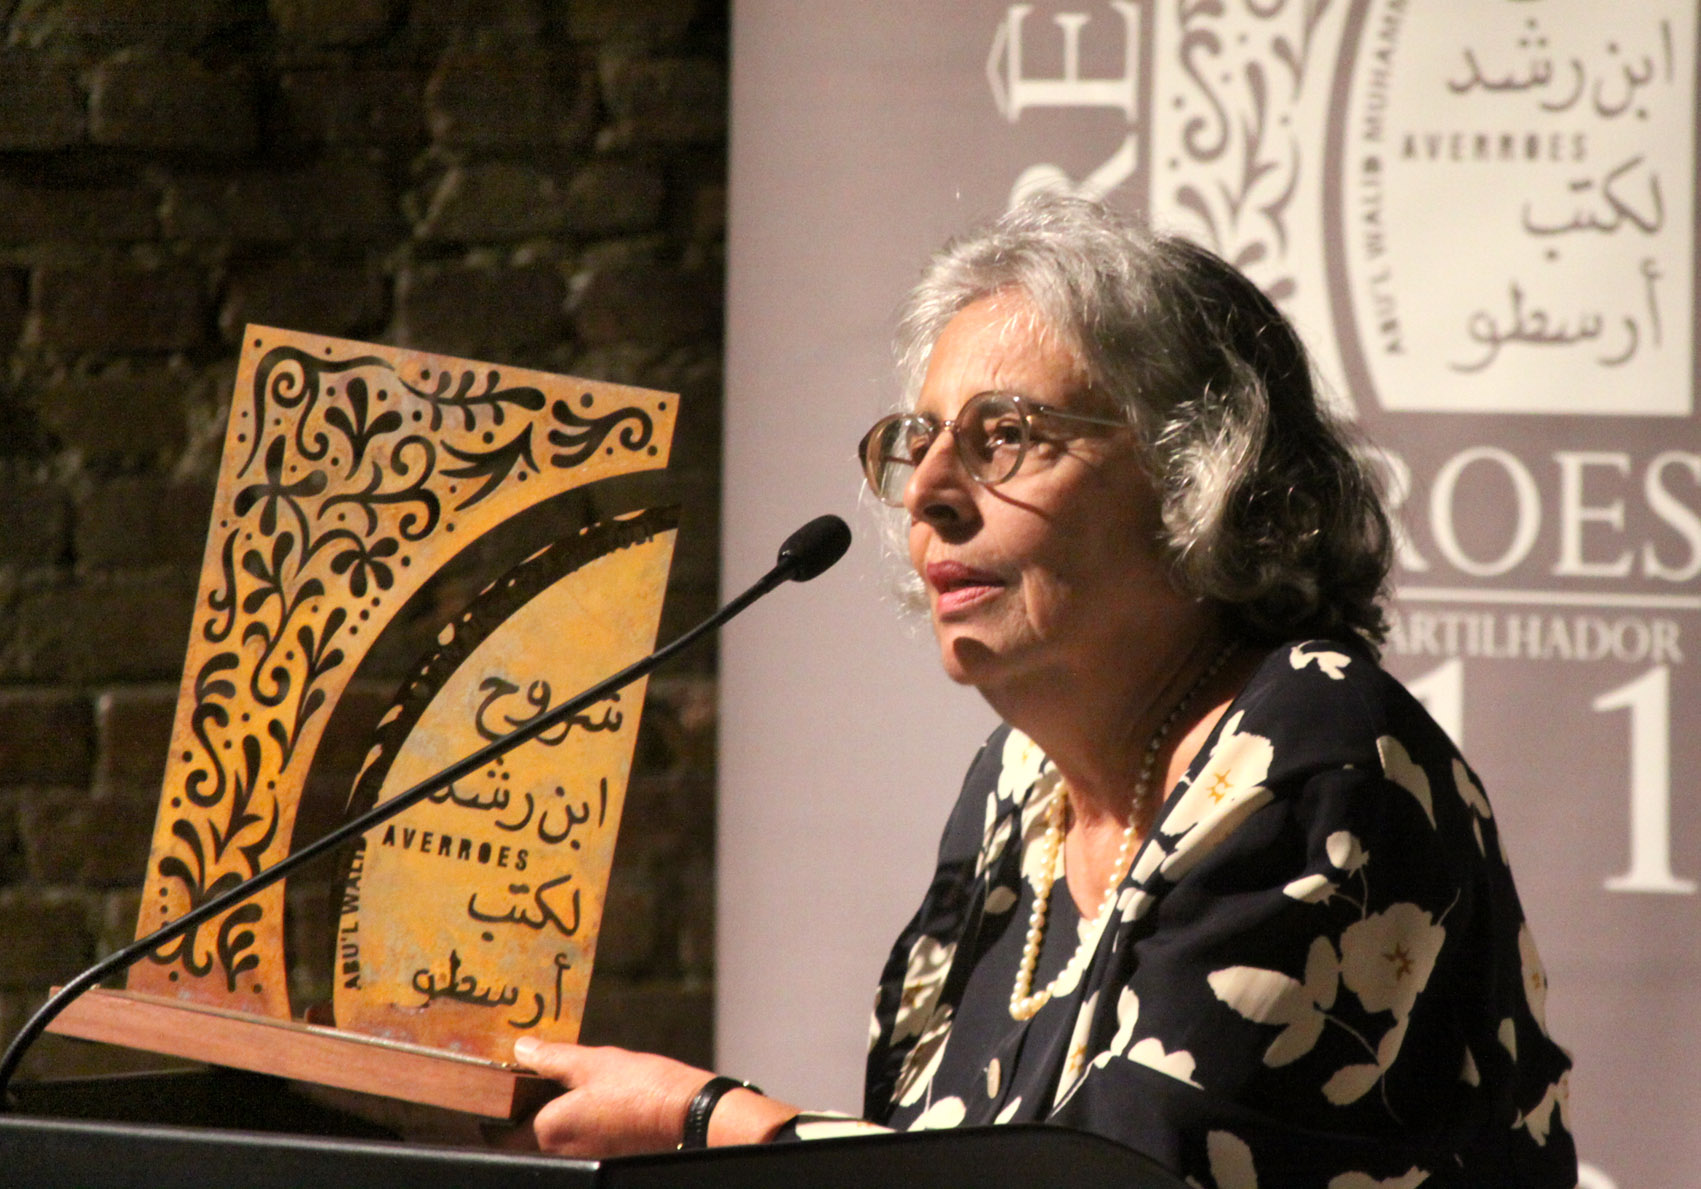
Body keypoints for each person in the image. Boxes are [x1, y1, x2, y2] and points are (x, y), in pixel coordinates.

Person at [508, 196, 1579, 1186]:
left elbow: (1117, 1176)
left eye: (1006, 437)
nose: (928, 493)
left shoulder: (1315, 746)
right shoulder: (1020, 789)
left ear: (1194, 472)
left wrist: (708, 1122)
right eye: (920, 441)